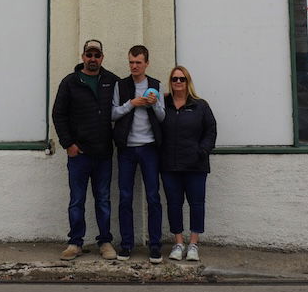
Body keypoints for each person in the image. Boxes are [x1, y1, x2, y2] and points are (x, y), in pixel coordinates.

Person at [51, 39, 119, 261]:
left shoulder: (111, 81)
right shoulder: (70, 82)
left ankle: (105, 242)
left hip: (103, 154)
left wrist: (159, 96)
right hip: (78, 154)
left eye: (96, 55)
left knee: (103, 199)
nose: (92, 59)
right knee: (77, 200)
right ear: (83, 57)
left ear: (102, 57)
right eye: (89, 55)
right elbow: (58, 115)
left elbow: (128, 101)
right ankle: (75, 243)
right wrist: (68, 144)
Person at [111, 44, 165, 263]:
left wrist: (153, 105)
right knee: (125, 197)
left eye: (138, 62)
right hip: (127, 148)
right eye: (131, 62)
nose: (134, 66)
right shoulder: (121, 85)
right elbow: (113, 114)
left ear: (146, 63)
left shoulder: (156, 85)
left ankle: (155, 246)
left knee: (153, 197)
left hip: (150, 148)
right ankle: (126, 245)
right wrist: (131, 104)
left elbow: (163, 117)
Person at [160, 64, 217, 262]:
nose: (177, 82)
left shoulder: (200, 105)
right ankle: (178, 243)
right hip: (170, 165)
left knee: (196, 204)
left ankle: (193, 244)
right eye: (174, 79)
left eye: (181, 79)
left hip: (195, 165)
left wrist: (202, 151)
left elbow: (211, 131)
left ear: (187, 82)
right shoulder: (163, 105)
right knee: (174, 204)